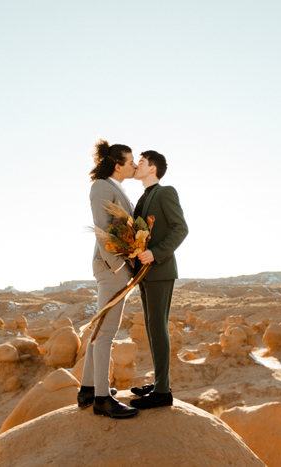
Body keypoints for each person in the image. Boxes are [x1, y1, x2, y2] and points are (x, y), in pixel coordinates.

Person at [78, 139, 139, 419]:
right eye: (130, 162)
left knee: (100, 329)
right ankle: (102, 399)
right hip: (110, 267)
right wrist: (117, 266)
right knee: (106, 333)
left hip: (114, 267)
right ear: (117, 165)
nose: (135, 165)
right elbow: (102, 229)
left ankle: (88, 389)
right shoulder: (102, 186)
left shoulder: (114, 187)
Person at [129, 150, 188, 409]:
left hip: (160, 269)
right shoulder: (144, 196)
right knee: (152, 329)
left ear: (153, 168)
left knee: (158, 328)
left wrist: (156, 253)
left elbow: (180, 228)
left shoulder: (166, 192)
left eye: (140, 162)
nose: (136, 165)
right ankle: (159, 382)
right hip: (145, 272)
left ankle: (163, 391)